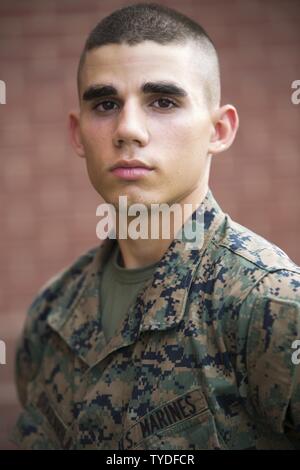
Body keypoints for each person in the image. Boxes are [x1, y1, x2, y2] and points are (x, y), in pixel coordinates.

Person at [11, 3, 300, 450]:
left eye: (162, 101)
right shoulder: (51, 316)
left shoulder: (269, 306)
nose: (128, 129)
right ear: (77, 134)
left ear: (219, 130)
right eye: (105, 103)